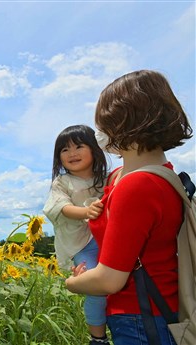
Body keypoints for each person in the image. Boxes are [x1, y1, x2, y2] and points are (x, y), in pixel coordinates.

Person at [65, 70, 193, 345]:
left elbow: (109, 280)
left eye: (104, 125)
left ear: (122, 122)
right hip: (152, 311)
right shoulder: (150, 174)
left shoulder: (138, 186)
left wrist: (72, 283)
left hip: (142, 319)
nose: (100, 134)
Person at [43, 124, 109, 345]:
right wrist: (86, 211)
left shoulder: (106, 178)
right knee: (95, 286)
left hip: (109, 240)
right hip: (82, 244)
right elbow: (61, 207)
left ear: (94, 149)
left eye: (79, 146)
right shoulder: (62, 182)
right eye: (64, 149)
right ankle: (98, 338)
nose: (72, 153)